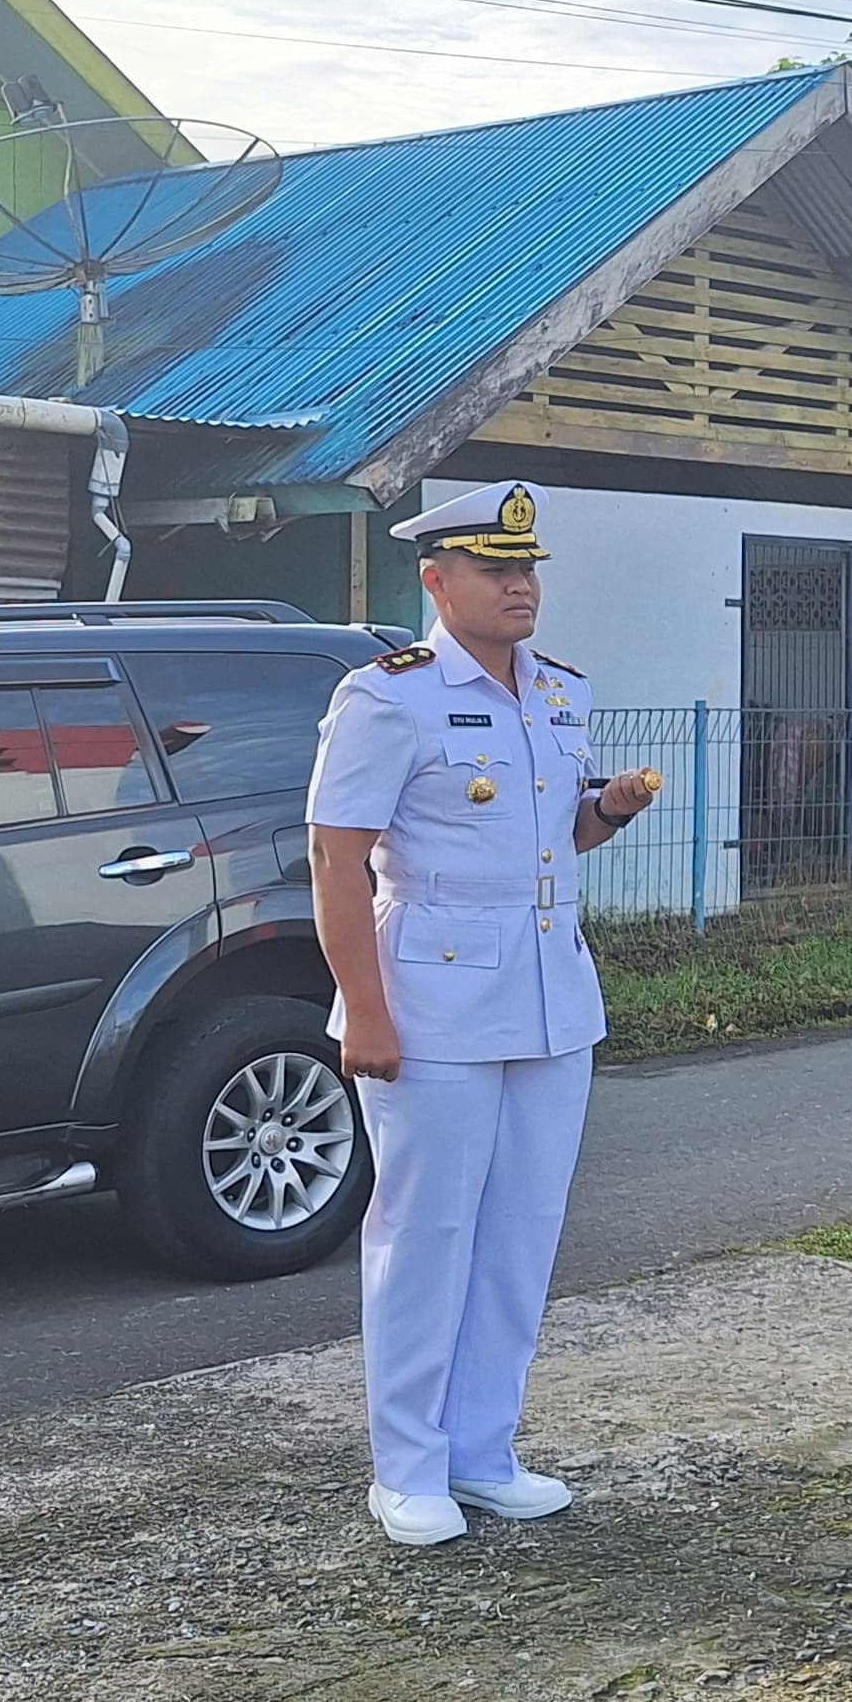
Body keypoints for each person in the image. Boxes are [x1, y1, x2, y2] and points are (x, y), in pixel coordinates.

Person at [307, 482, 661, 1546]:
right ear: (436, 579)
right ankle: (406, 1467)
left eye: (529, 568)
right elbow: (335, 860)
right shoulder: (388, 697)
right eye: (495, 568)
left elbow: (558, 840)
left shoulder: (558, 693)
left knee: (521, 1234)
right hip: (431, 998)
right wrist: (365, 1012)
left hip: (551, 994)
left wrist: (606, 810)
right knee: (426, 1234)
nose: (521, 584)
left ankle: (482, 1450)